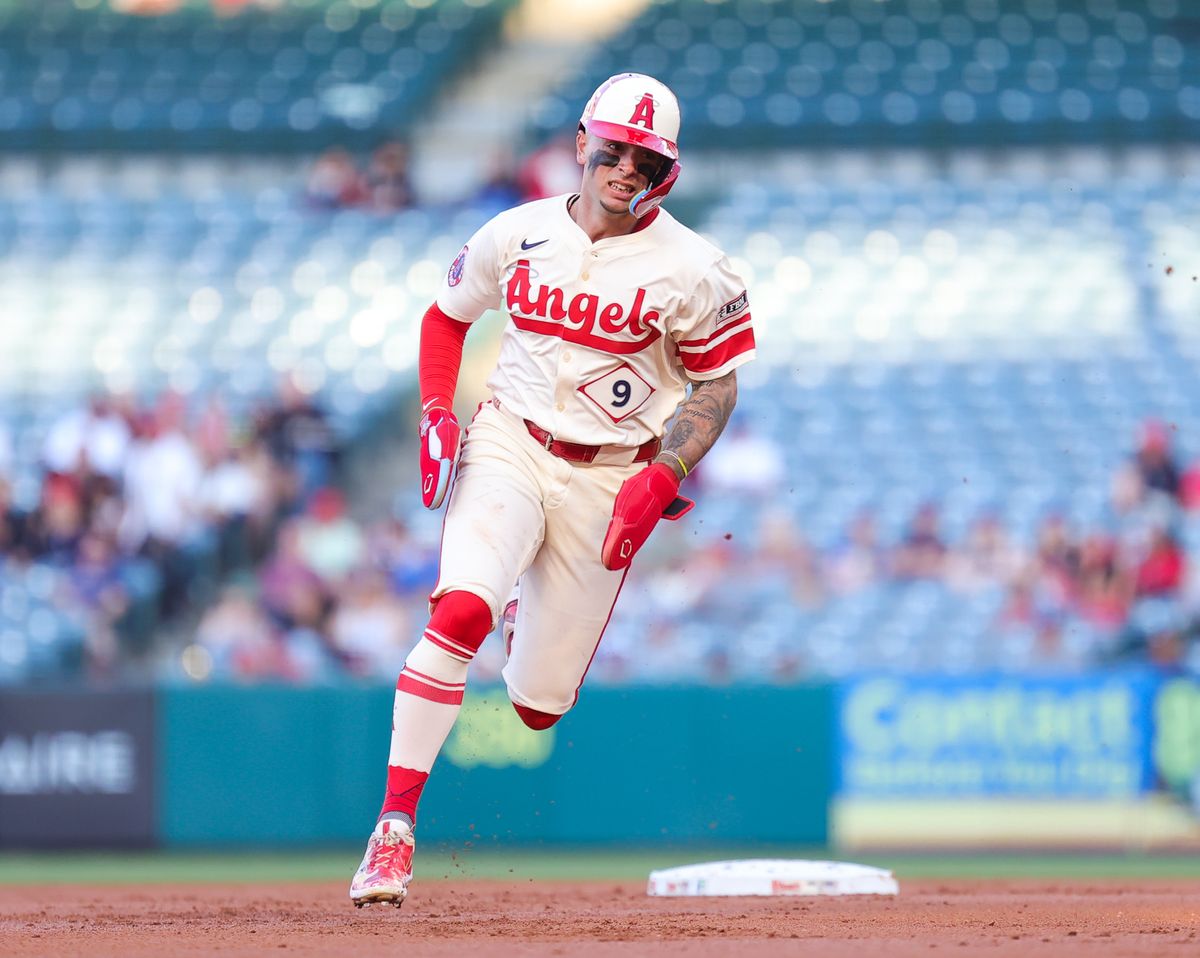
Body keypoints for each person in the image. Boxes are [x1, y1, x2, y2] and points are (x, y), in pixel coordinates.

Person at [349, 73, 756, 907]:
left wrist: (663, 475)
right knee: (459, 613)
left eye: (646, 158)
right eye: (614, 149)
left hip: (611, 473)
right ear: (581, 143)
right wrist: (437, 411)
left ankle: (517, 606)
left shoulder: (697, 268)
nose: (626, 168)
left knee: (538, 705)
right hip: (510, 440)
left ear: (668, 171)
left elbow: (717, 384)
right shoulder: (518, 231)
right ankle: (393, 829)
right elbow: (446, 315)